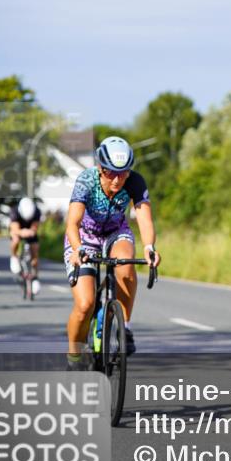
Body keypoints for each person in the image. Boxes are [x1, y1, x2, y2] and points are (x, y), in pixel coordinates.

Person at [64, 136, 161, 370]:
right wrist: (78, 250)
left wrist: (149, 247)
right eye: (110, 173)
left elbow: (145, 221)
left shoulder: (135, 181)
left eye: (123, 173)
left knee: (126, 269)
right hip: (84, 237)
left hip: (116, 233)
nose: (117, 179)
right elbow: (72, 223)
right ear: (100, 167)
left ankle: (124, 327)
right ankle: (74, 355)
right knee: (85, 304)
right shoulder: (86, 180)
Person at [10, 197, 42, 294]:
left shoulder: (36, 211)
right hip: (18, 229)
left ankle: (35, 277)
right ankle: (14, 257)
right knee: (15, 240)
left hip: (30, 231)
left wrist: (31, 231)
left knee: (35, 249)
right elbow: (14, 228)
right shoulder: (15, 211)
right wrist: (20, 232)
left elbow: (35, 226)